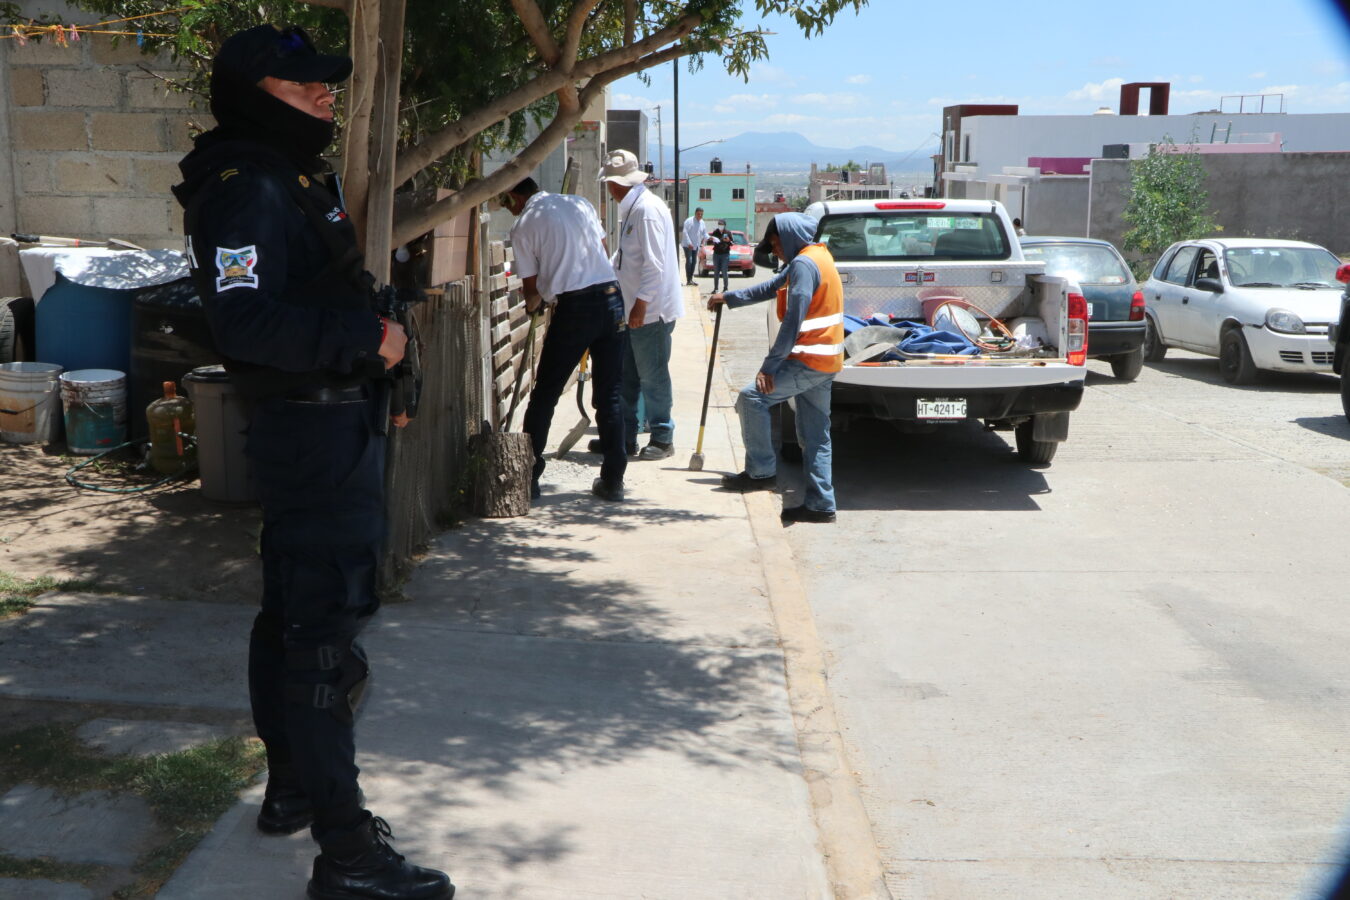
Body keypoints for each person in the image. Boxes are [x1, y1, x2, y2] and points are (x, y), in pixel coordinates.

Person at [172, 24, 452, 900]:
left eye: (328, 86)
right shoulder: (246, 184)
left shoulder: (284, 174)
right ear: (260, 93)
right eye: (308, 88)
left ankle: (293, 785)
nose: (328, 98)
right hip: (312, 432)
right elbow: (247, 323)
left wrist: (380, 338)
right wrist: (367, 336)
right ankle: (346, 854)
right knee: (323, 640)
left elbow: (317, 284)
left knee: (293, 613)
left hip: (329, 425)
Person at [708, 212, 842, 525]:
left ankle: (760, 472)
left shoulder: (804, 265)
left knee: (752, 398)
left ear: (791, 235)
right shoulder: (818, 257)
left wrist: (769, 367)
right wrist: (729, 297)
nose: (775, 251)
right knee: (815, 435)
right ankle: (821, 505)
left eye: (776, 243)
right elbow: (771, 287)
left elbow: (793, 322)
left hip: (808, 361)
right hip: (826, 362)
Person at [500, 177, 628, 501]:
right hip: (613, 298)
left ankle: (529, 476)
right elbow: (601, 254)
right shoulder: (579, 203)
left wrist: (537, 304)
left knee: (544, 394)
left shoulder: (525, 225)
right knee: (610, 395)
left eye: (507, 203)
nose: (510, 211)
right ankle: (613, 481)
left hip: (574, 307)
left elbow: (531, 293)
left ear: (517, 196)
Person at [596, 149, 684, 460]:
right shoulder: (633, 210)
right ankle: (626, 437)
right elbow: (625, 259)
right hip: (634, 309)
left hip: (650, 312)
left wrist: (640, 305)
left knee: (653, 377)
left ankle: (662, 437)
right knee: (628, 377)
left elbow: (654, 265)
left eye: (609, 183)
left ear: (616, 184)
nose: (608, 189)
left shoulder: (646, 211)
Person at [680, 207, 708, 285]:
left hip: (695, 245)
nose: (700, 215)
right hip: (687, 245)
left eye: (701, 214)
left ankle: (691, 279)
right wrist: (689, 243)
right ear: (695, 213)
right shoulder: (689, 221)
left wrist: (710, 237)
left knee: (694, 262)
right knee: (689, 260)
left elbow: (704, 233)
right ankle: (688, 279)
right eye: (698, 214)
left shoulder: (702, 222)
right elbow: (685, 232)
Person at [708, 220, 734, 293]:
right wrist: (711, 239)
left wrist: (728, 240)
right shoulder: (715, 232)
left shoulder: (728, 233)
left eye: (721, 224)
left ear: (724, 225)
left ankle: (725, 288)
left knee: (724, 271)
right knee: (716, 272)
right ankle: (716, 289)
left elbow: (732, 243)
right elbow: (709, 242)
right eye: (719, 224)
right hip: (716, 254)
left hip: (725, 254)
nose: (720, 225)